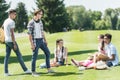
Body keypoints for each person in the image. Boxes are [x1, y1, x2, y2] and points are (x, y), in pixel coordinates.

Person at [3, 9, 31, 76]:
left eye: (15, 14)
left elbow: (2, 28)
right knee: (19, 55)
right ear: (10, 14)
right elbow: (12, 33)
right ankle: (26, 70)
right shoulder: (12, 22)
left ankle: (6, 73)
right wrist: (14, 43)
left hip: (6, 40)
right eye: (14, 14)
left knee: (7, 56)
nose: (15, 15)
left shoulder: (5, 21)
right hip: (11, 41)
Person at [27, 9, 54, 76]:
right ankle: (33, 72)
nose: (41, 16)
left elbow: (42, 32)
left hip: (41, 40)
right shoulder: (31, 23)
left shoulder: (40, 22)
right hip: (35, 41)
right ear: (36, 14)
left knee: (47, 53)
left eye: (41, 14)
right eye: (40, 14)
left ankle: (49, 69)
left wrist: (45, 40)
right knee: (35, 56)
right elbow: (29, 35)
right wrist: (32, 44)